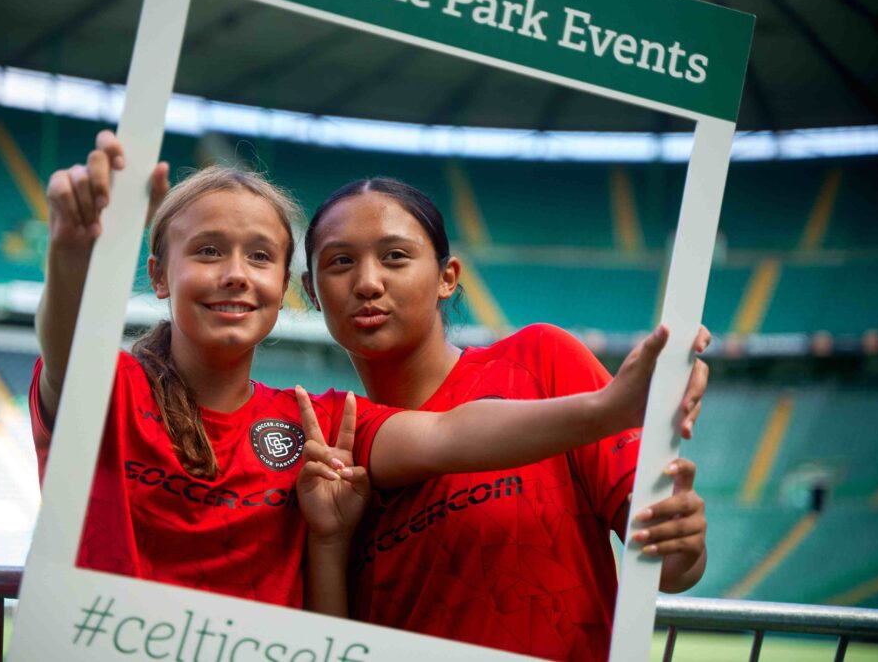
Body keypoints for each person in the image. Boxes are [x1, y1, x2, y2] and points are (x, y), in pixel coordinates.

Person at [34, 134, 694, 618]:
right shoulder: (115, 390)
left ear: (282, 287)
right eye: (208, 251)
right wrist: (69, 256)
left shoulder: (316, 423)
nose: (236, 272)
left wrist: (610, 409)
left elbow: (449, 435)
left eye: (259, 255)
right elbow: (67, 356)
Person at [301, 177, 709, 660]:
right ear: (311, 290)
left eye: (395, 256)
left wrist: (681, 538)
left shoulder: (541, 361)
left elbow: (667, 564)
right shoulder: (324, 445)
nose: (368, 282)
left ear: (447, 277)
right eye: (340, 261)